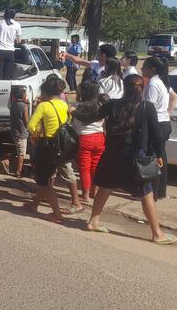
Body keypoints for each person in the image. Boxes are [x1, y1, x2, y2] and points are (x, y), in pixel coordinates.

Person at [70, 75, 177, 244]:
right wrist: (158, 154)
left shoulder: (112, 104)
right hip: (137, 157)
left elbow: (87, 118)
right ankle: (157, 233)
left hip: (111, 155)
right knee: (146, 192)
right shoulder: (146, 107)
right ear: (142, 89)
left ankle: (93, 221)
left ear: (124, 88)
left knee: (106, 186)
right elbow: (156, 135)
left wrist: (73, 111)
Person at [22, 77, 70, 223]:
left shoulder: (43, 106)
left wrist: (36, 133)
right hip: (60, 145)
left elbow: (30, 125)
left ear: (46, 91)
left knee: (43, 181)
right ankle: (34, 204)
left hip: (46, 145)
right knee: (46, 177)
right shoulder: (64, 105)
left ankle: (56, 213)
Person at [142, 57, 177, 199]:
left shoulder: (153, 84)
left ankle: (151, 192)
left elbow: (148, 108)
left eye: (144, 66)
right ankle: (159, 191)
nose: (142, 69)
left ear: (152, 69)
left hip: (155, 124)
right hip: (163, 123)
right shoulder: (160, 82)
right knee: (160, 155)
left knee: (150, 157)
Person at [72, 79, 106, 202]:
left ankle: (85, 194)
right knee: (95, 166)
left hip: (84, 139)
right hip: (99, 138)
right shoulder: (101, 105)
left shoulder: (76, 106)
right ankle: (94, 191)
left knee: (84, 167)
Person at [0, 8, 22, 80]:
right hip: (10, 51)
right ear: (14, 15)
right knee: (7, 74)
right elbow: (19, 41)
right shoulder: (17, 25)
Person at [9, 86, 29, 178]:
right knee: (21, 153)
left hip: (14, 131)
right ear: (23, 95)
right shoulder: (24, 106)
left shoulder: (13, 105)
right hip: (22, 132)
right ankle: (18, 171)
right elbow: (26, 121)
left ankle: (9, 163)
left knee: (17, 148)